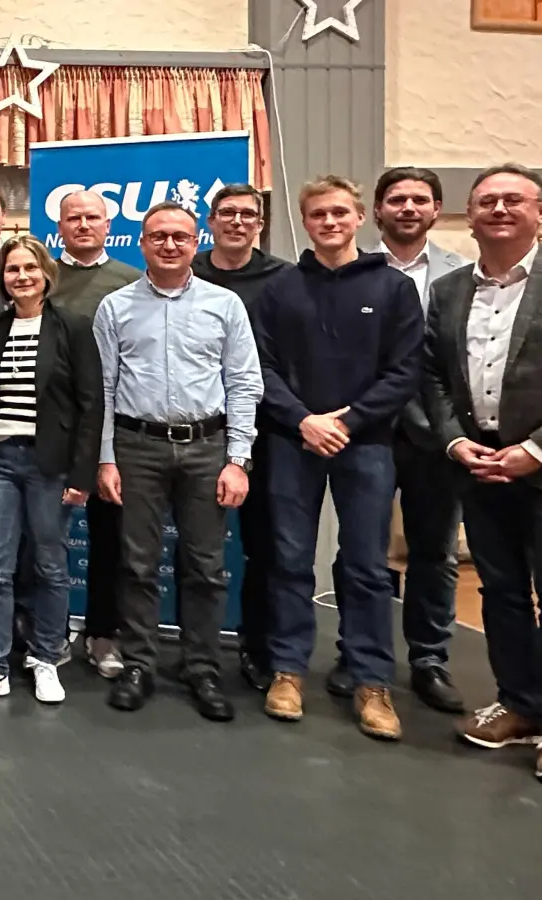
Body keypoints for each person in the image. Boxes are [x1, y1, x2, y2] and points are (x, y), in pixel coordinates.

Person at [256, 176, 424, 742]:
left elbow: (405, 371)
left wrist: (347, 421)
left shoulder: (395, 289)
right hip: (293, 440)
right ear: (304, 223)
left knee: (366, 567)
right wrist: (304, 419)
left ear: (359, 219)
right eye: (317, 215)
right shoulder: (280, 289)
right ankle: (287, 671)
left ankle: (372, 681)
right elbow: (261, 368)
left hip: (367, 444)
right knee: (288, 559)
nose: (329, 222)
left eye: (339, 213)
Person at [94, 201, 261, 722]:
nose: (169, 244)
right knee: (138, 564)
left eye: (180, 237)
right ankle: (140, 662)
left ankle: (202, 667)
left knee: (206, 566)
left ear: (196, 243)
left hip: (207, 447)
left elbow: (243, 381)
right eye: (158, 236)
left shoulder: (225, 305)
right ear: (141, 243)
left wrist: (239, 458)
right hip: (136, 445)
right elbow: (102, 388)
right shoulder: (115, 307)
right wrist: (105, 459)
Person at [319, 168, 470, 713]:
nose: (408, 208)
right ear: (376, 211)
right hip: (363, 430)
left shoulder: (465, 275)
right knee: (360, 550)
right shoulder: (349, 270)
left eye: (420, 200)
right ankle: (355, 654)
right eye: (397, 199)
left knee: (433, 550)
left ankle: (429, 659)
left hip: (436, 435)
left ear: (436, 209)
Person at [423, 163, 542, 782]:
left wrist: (537, 450)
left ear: (538, 211)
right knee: (500, 591)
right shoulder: (447, 293)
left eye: (512, 199)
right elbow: (435, 377)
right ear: (468, 215)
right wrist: (454, 441)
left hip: (539, 463)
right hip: (479, 464)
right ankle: (523, 705)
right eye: (486, 200)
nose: (498, 209)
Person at [0, 236, 100, 704]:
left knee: (50, 565)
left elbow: (91, 406)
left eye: (30, 268)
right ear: (3, 279)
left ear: (46, 274)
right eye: (12, 270)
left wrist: (82, 474)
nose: (22, 277)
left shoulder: (72, 328)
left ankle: (46, 658)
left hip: (49, 466)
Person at [190, 183, 293, 693]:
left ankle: (260, 648)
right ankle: (194, 653)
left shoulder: (284, 279)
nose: (237, 221)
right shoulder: (187, 272)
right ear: (210, 221)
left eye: (247, 214)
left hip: (267, 433)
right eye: (226, 213)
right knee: (187, 550)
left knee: (265, 547)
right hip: (196, 434)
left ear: (260, 223)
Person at [45, 190, 143, 680]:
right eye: (73, 218)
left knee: (111, 538)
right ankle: (47, 628)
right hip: (51, 429)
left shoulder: (131, 281)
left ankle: (103, 633)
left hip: (115, 429)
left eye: (92, 218)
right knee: (44, 537)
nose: (83, 225)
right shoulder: (42, 279)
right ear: (59, 226)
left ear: (108, 223)